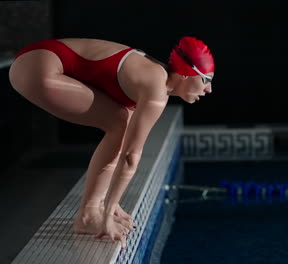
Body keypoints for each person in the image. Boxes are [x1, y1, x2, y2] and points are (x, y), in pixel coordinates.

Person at [8, 36, 215, 249]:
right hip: (36, 67)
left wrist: (110, 203)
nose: (209, 89)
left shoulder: (154, 75)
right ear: (185, 73)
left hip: (35, 60)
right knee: (119, 122)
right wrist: (108, 212)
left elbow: (125, 147)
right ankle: (89, 214)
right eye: (206, 80)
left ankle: (92, 209)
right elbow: (130, 157)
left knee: (120, 121)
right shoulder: (156, 90)